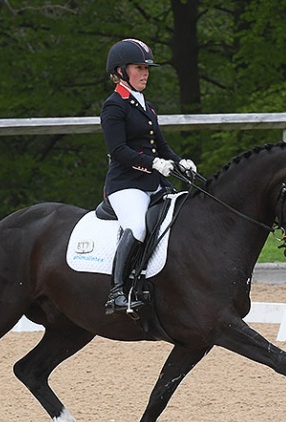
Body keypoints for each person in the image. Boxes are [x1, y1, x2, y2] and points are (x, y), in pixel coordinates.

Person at [100, 38, 197, 315]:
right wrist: (154, 164)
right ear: (121, 71)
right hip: (126, 185)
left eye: (147, 68)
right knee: (137, 227)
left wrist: (180, 163)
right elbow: (118, 151)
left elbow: (162, 146)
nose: (145, 73)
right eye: (139, 68)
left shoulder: (147, 106)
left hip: (154, 183)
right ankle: (116, 292)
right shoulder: (114, 106)